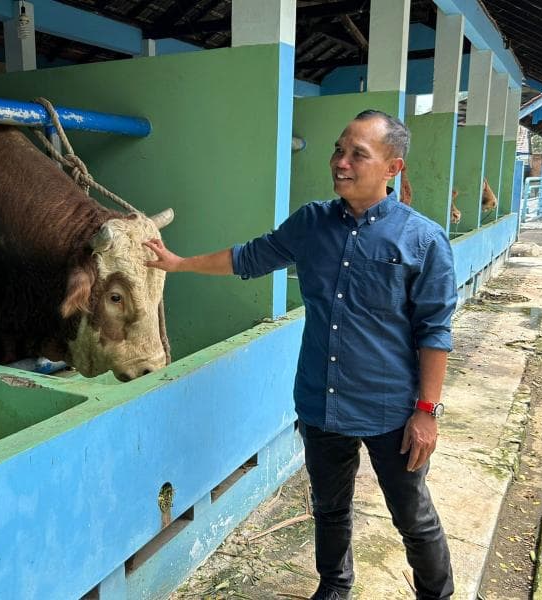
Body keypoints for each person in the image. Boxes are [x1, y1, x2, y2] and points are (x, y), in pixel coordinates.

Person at [144, 110, 456, 600]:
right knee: (330, 508)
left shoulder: (422, 239)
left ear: (392, 169)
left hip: (391, 410)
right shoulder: (311, 223)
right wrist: (178, 264)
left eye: (358, 154)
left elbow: (434, 332)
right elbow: (249, 257)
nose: (341, 163)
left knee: (413, 517)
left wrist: (426, 411)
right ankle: (334, 587)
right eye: (339, 150)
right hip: (321, 401)